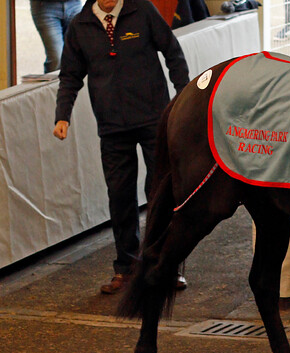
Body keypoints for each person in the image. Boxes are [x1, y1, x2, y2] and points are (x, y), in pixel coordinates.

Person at [53, 0, 190, 294]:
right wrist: (62, 115)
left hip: (154, 119)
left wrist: (184, 96)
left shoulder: (142, 11)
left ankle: (164, 266)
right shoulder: (80, 26)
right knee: (120, 197)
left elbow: (173, 53)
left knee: (159, 194)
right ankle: (126, 268)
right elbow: (70, 76)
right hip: (112, 127)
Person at [30, 0, 83, 73]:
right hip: (45, 8)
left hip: (74, 5)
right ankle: (53, 84)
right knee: (57, 58)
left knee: (78, 55)